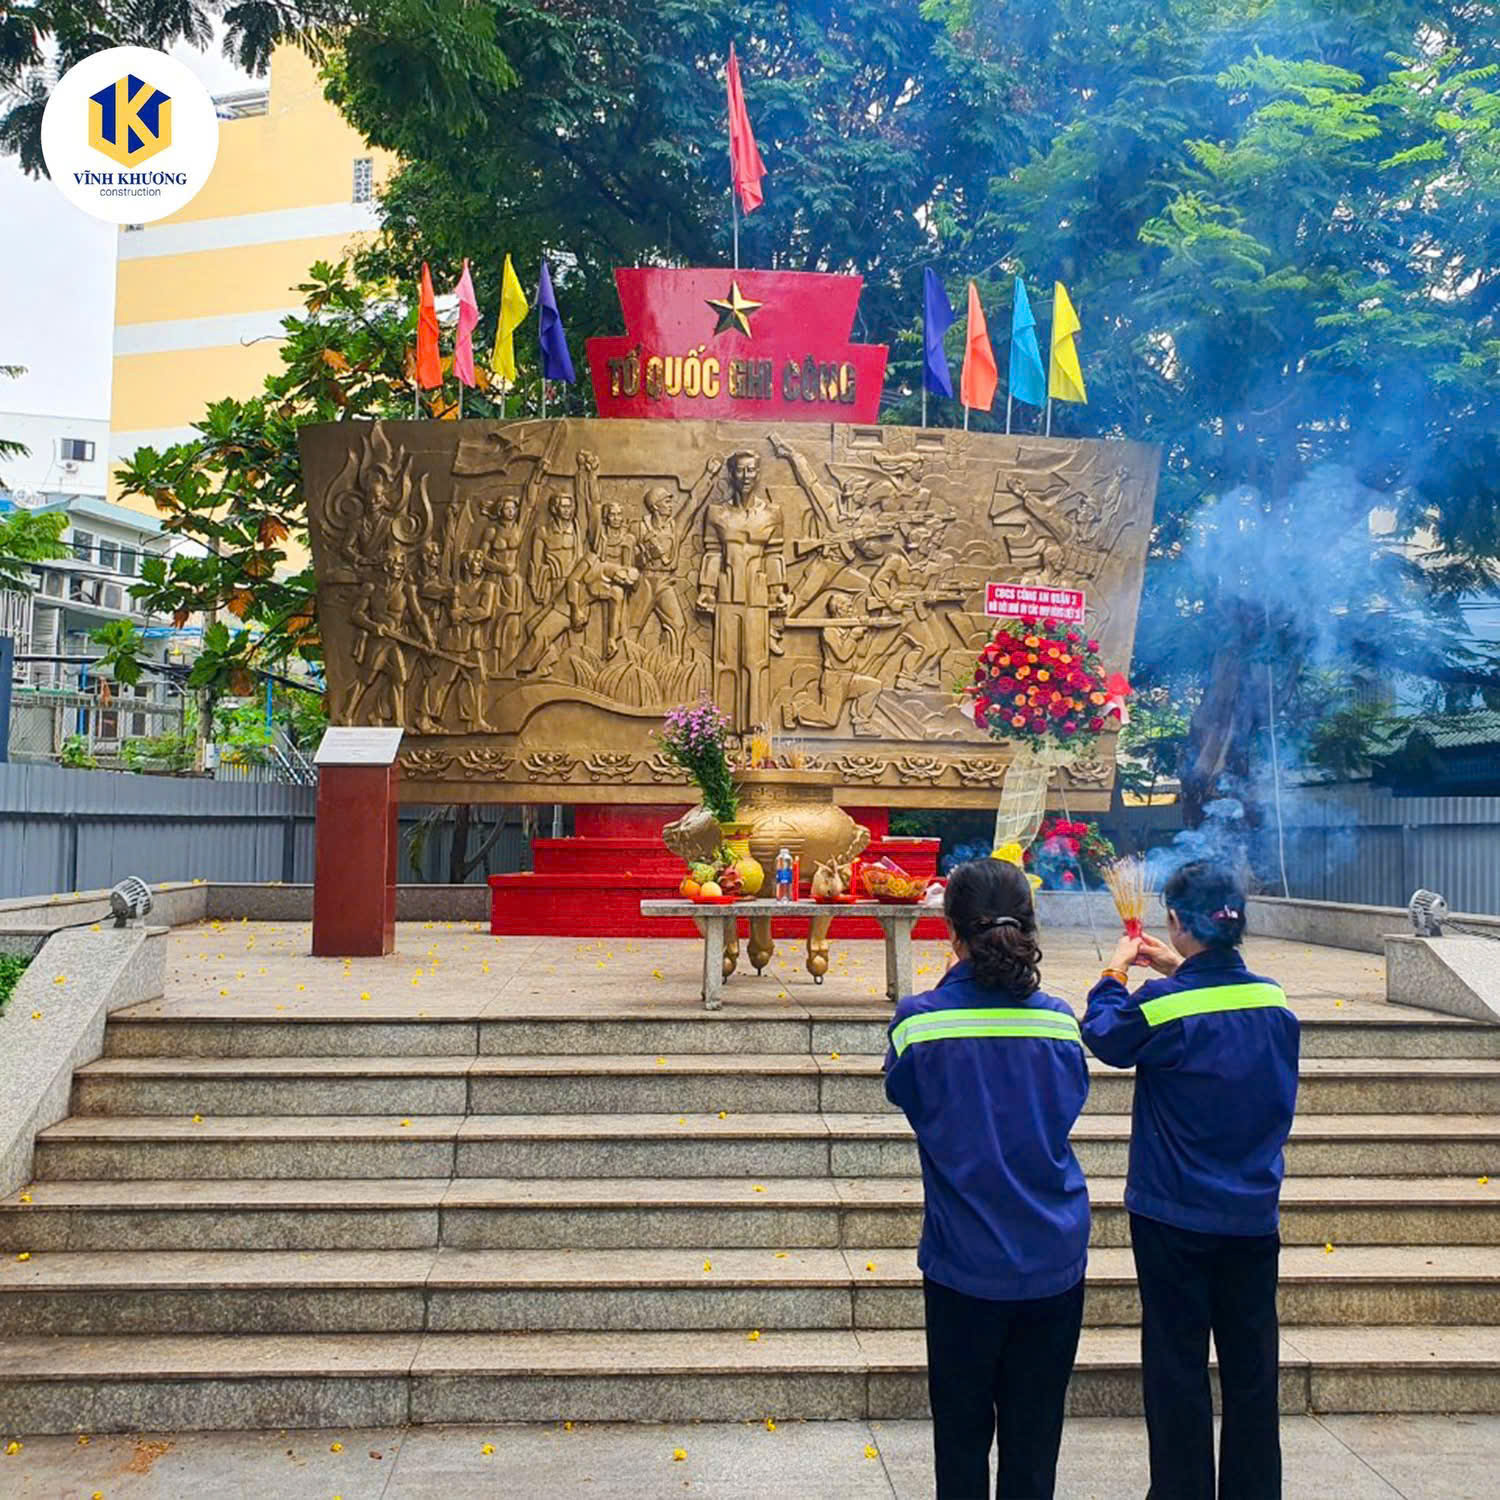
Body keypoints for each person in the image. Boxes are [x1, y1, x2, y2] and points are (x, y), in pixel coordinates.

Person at [1082, 861, 1300, 1500]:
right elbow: (1220, 1008)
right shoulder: (1272, 1000)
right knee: (1252, 1369)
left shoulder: (1162, 1006)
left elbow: (1106, 1037)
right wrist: (1181, 970)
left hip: (1174, 1212)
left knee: (1177, 1366)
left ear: (1176, 921)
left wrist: (1113, 974)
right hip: (1252, 1213)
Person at [884, 857, 1090, 1500]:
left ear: (951, 931)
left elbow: (907, 1094)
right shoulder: (1059, 1023)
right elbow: (1067, 1105)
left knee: (961, 1437)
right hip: (1053, 1256)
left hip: (963, 1262)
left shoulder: (919, 1024)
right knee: (1035, 1440)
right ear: (1028, 926)